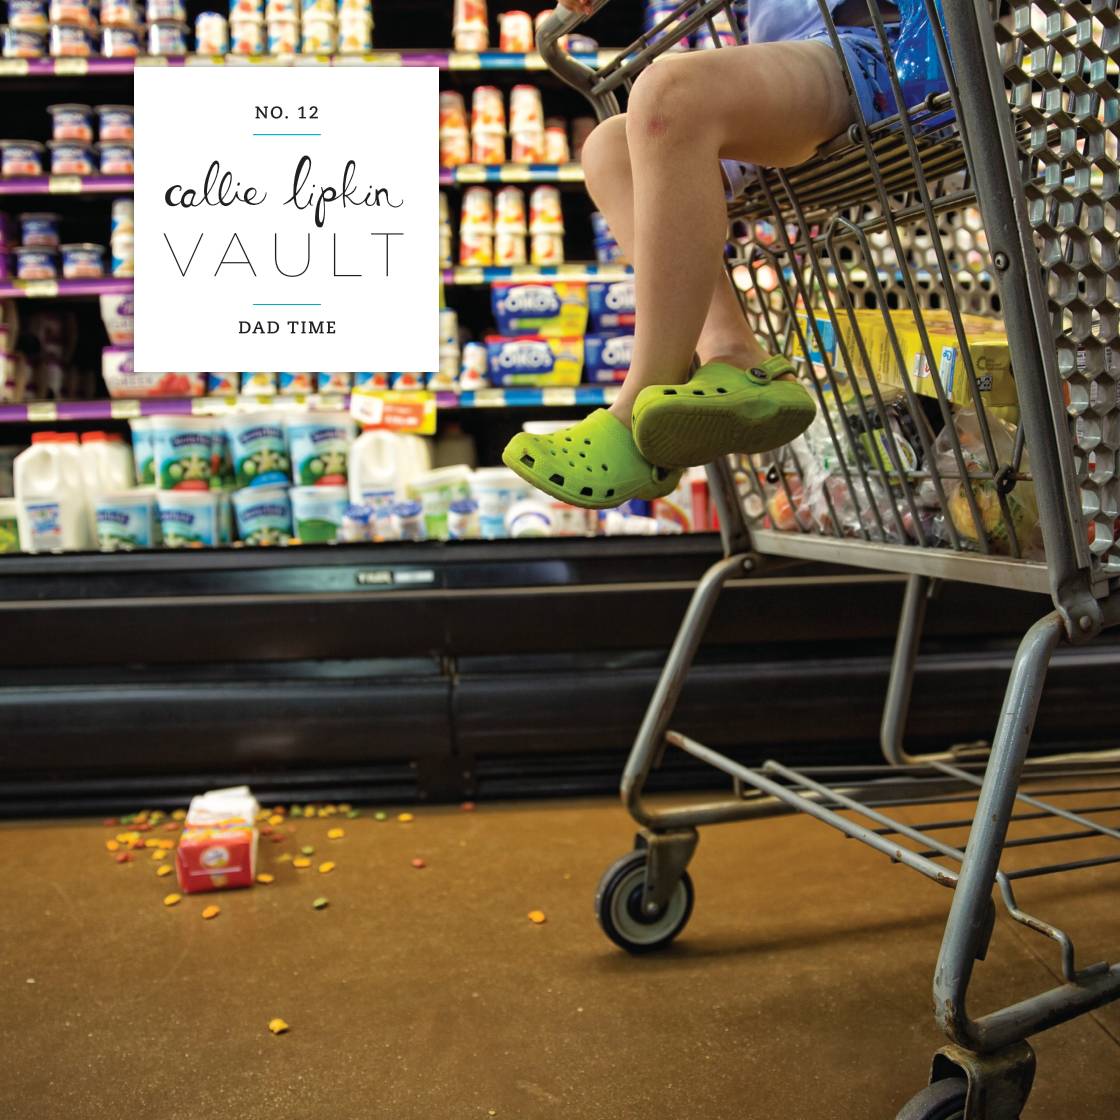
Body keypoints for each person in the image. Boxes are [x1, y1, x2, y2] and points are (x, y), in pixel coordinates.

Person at [503, 0, 901, 509]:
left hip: (887, 48)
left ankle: (636, 408)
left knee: (670, 93)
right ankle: (731, 351)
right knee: (607, 150)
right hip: (796, 58)